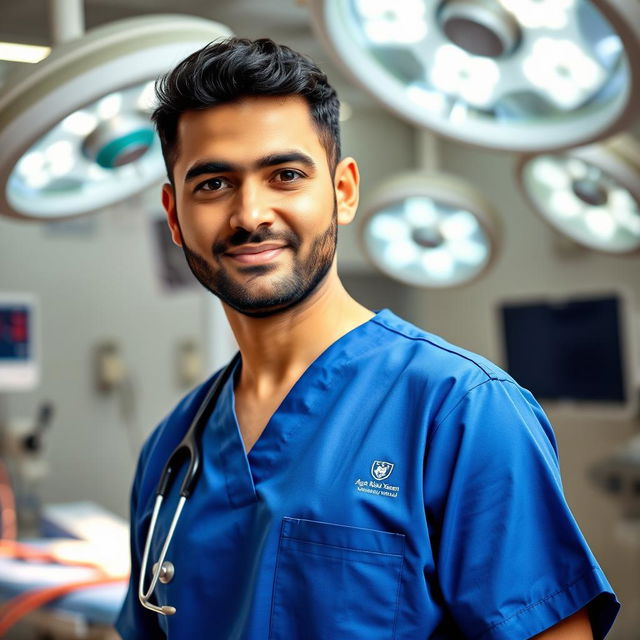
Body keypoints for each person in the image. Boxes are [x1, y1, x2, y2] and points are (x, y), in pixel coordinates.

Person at [115, 38, 620, 639]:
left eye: (286, 175)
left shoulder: (462, 410)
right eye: (213, 185)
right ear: (174, 216)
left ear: (343, 191)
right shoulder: (171, 447)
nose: (250, 214)